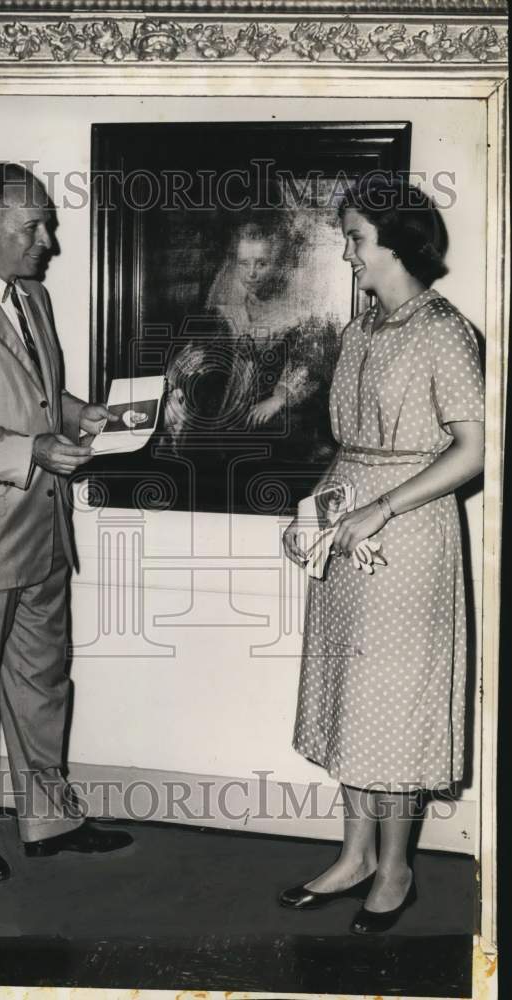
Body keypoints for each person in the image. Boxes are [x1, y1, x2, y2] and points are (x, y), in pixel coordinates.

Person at [0, 162, 133, 881]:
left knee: (44, 682)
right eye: (35, 224)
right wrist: (29, 450)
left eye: (45, 221)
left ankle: (50, 817)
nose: (48, 237)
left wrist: (80, 414)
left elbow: (37, 394)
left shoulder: (32, 298)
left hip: (43, 529)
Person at [280, 178, 484, 933]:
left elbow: (473, 450)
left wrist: (381, 508)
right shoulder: (360, 330)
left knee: (393, 704)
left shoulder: (444, 332)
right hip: (349, 527)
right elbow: (349, 446)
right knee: (350, 697)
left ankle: (394, 867)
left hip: (410, 536)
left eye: (356, 238)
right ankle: (353, 854)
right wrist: (314, 514)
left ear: (396, 242)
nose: (346, 251)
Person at [205, 217, 340, 461]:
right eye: (244, 264)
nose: (252, 273)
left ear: (277, 265)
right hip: (231, 413)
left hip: (281, 419)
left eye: (262, 264)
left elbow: (312, 362)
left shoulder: (296, 314)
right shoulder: (227, 311)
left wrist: (279, 399)